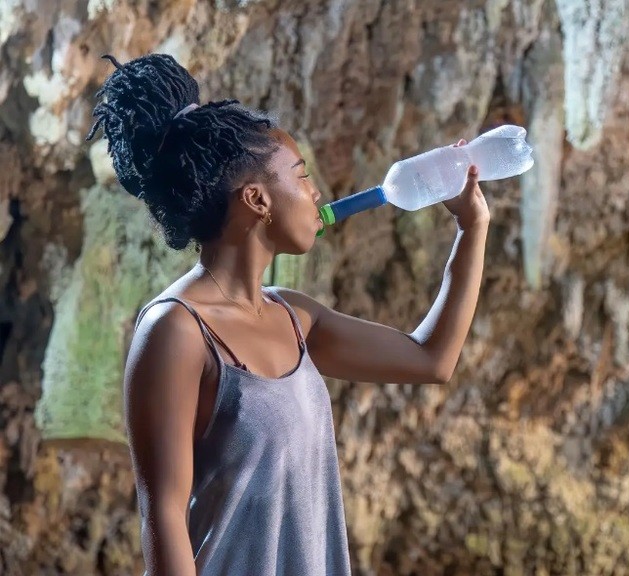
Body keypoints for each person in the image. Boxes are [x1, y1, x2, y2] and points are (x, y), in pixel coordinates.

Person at [86, 53, 489, 576]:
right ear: (257, 199)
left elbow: (432, 360)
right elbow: (162, 515)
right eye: (301, 176)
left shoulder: (294, 316)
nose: (315, 193)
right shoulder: (175, 331)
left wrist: (471, 228)